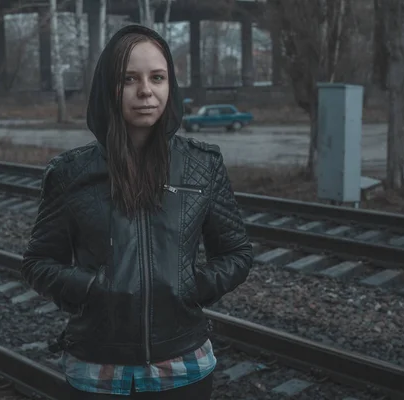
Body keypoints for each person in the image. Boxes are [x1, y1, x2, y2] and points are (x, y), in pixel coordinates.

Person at [21, 24, 254, 399]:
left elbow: (237, 253)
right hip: (97, 369)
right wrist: (91, 288)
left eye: (157, 78)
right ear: (107, 89)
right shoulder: (70, 173)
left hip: (183, 367)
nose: (146, 90)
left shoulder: (201, 165)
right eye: (129, 79)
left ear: (169, 85)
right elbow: (38, 262)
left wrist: (191, 286)